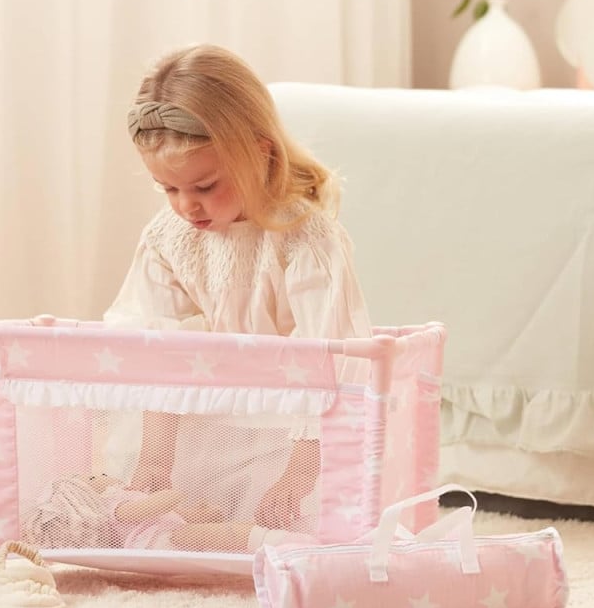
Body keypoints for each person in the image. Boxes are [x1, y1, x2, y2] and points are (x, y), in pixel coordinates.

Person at [103, 43, 372, 529]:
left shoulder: (304, 238)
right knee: (144, 515)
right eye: (168, 188)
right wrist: (156, 460)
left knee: (295, 529)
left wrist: (299, 475)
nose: (186, 206)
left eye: (205, 186)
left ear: (259, 153)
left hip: (294, 440)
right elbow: (154, 346)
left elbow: (335, 360)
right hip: (204, 427)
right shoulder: (168, 238)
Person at [23, 473, 307, 554]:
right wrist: (171, 495)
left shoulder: (121, 500)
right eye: (94, 477)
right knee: (226, 534)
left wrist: (202, 513)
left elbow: (173, 515)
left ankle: (269, 539)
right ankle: (280, 543)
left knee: (218, 533)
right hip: (158, 542)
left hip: (168, 533)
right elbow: (150, 509)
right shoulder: (114, 507)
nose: (104, 474)